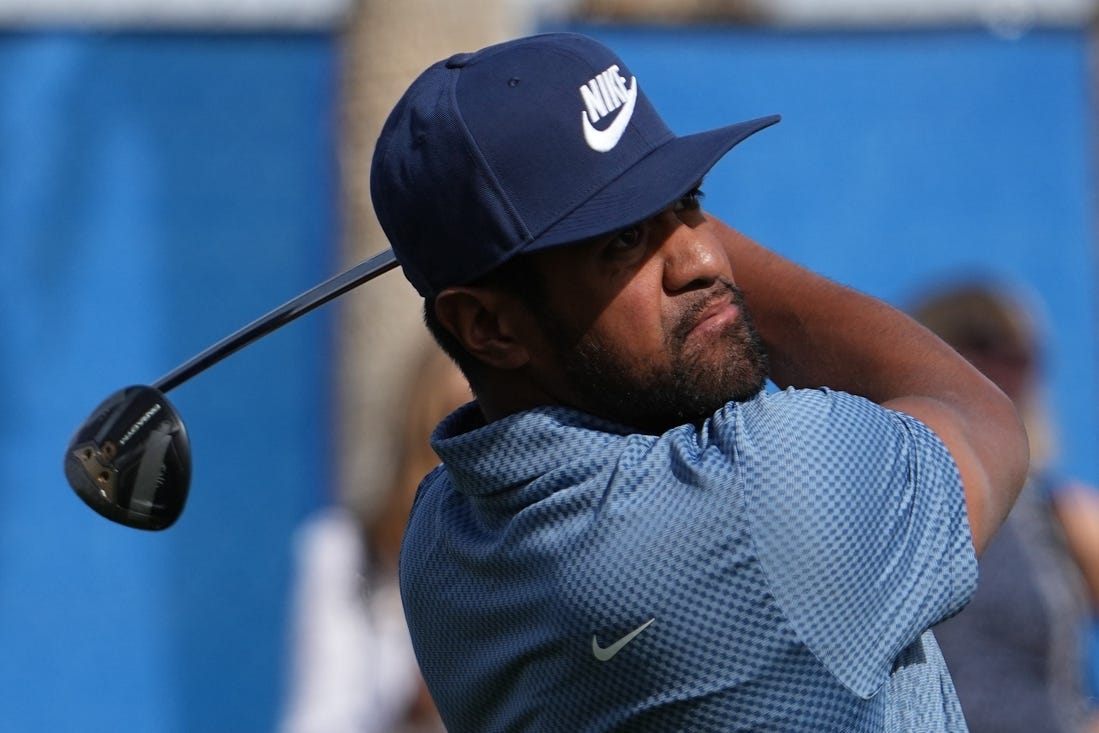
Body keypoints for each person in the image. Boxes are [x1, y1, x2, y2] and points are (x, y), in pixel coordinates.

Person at [367, 32, 1029, 731]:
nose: (705, 255)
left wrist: (634, 199)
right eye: (622, 239)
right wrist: (666, 197)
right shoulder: (760, 498)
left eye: (691, 202)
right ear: (487, 326)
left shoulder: (441, 542)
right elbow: (975, 413)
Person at [912, 282, 1099, 733]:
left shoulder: (1061, 512)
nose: (997, 370)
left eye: (1017, 352)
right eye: (976, 344)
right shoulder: (880, 503)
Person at [280, 340, 469, 733]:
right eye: (454, 425)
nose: (474, 452)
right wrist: (413, 704)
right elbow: (318, 720)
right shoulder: (347, 551)